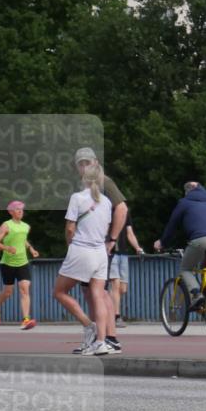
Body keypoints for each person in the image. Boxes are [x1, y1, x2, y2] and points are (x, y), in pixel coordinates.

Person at [54, 162, 112, 356]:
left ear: (84, 178)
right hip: (101, 253)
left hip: (81, 250)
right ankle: (101, 342)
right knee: (98, 296)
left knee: (60, 292)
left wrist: (70, 245)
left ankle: (88, 326)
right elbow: (104, 228)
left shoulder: (77, 198)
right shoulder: (107, 202)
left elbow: (70, 228)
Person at [73, 148, 127, 353]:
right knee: (92, 292)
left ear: (95, 162)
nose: (85, 167)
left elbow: (122, 208)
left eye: (88, 163)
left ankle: (108, 337)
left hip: (99, 246)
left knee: (98, 292)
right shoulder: (86, 186)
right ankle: (104, 337)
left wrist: (111, 239)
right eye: (81, 164)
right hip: (91, 246)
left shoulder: (105, 181)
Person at [153, 182, 206, 311]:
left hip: (200, 240)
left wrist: (162, 242)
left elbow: (172, 224)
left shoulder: (185, 202)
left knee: (185, 269)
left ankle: (197, 295)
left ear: (187, 192)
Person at [0, 200, 40, 330]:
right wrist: (7, 248)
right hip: (8, 263)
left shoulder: (26, 226)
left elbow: (23, 240)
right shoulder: (6, 225)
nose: (20, 212)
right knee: (8, 292)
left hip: (23, 262)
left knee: (24, 288)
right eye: (17, 209)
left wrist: (31, 249)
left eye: (21, 209)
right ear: (10, 212)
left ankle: (26, 320)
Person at [109, 217, 145, 327]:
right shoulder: (107, 208)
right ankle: (116, 317)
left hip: (123, 254)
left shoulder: (125, 212)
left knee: (122, 289)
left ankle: (108, 311)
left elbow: (130, 233)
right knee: (115, 284)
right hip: (111, 253)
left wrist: (137, 248)